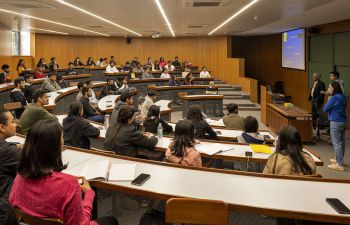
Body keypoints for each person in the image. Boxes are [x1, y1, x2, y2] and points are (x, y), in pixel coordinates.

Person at [9, 120, 119, 225]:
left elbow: (13, 202)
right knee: (111, 221)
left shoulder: (20, 176)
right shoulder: (69, 184)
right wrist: (89, 194)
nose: (63, 139)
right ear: (54, 145)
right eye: (61, 136)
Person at [0, 109, 20, 225]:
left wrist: (15, 146)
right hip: (5, 212)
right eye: (12, 122)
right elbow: (34, 167)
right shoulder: (8, 151)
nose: (16, 124)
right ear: (2, 127)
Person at [323, 81, 347, 171]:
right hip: (343, 121)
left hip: (335, 122)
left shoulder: (333, 98)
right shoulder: (343, 96)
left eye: (330, 88)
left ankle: (339, 164)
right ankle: (339, 159)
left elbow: (325, 109)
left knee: (337, 143)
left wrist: (329, 99)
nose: (328, 89)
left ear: (334, 88)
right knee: (341, 142)